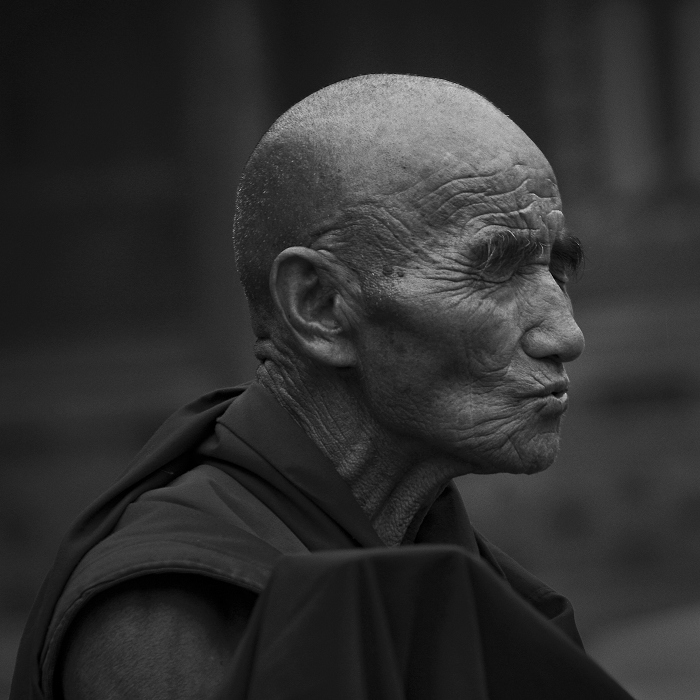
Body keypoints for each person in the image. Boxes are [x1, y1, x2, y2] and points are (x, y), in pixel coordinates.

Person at [13, 74, 597, 699]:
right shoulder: (174, 611)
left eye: (557, 269)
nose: (565, 333)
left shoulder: (474, 588)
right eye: (494, 270)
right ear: (320, 307)